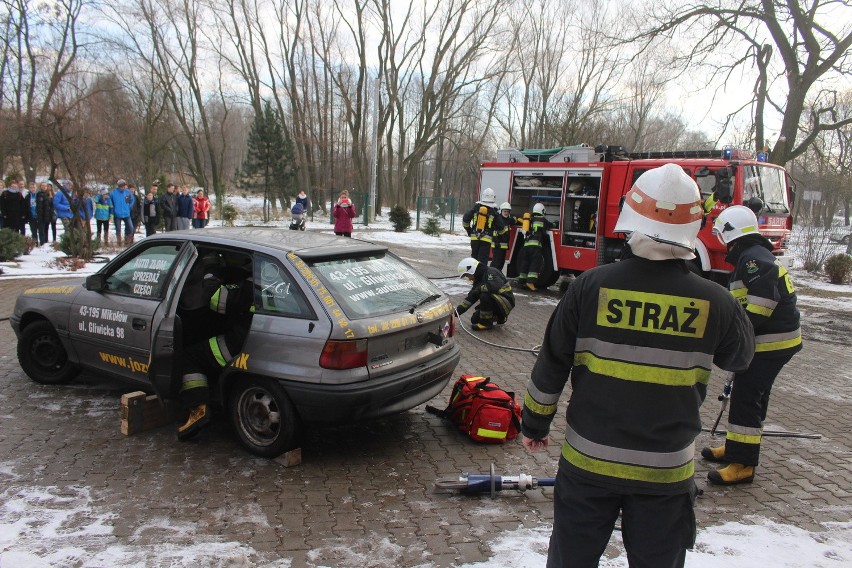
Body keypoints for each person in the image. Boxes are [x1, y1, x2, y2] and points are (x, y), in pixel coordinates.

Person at [521, 163, 755, 568]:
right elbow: (740, 357)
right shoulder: (715, 301)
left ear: (631, 220)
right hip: (664, 476)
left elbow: (552, 364)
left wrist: (534, 425)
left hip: (587, 466)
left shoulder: (589, 286)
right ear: (692, 228)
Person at [701, 205, 803, 485]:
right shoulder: (752, 255)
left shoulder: (752, 260)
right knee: (752, 397)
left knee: (747, 398)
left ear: (730, 232)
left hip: (771, 344)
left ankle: (743, 464)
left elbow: (761, 305)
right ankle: (737, 449)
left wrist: (734, 335)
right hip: (773, 342)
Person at [175, 251, 254, 440]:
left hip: (239, 344)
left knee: (189, 357)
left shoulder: (251, 286)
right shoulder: (267, 281)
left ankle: (198, 408)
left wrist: (211, 271)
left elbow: (216, 299)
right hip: (250, 336)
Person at [455, 257, 515, 331]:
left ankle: (486, 324)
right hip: (496, 302)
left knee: (485, 295)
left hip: (506, 302)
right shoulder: (478, 279)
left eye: (467, 275)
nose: (469, 279)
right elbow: (470, 298)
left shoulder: (491, 272)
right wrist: (456, 312)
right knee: (474, 320)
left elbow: (494, 287)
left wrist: (479, 289)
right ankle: (500, 316)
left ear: (472, 270)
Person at [516, 202, 554, 291]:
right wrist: (555, 224)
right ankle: (530, 282)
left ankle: (522, 281)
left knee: (525, 262)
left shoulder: (529, 219)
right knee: (535, 263)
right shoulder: (542, 220)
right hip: (535, 246)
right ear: (542, 211)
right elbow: (549, 227)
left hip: (526, 245)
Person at [462, 187, 502, 264]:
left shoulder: (476, 208)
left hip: (474, 237)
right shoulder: (494, 212)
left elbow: (465, 219)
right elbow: (501, 227)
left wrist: (469, 230)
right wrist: (496, 236)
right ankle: (481, 275)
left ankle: (473, 274)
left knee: (474, 258)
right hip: (486, 240)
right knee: (482, 260)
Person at [490, 202, 517, 271]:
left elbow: (514, 220)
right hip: (497, 245)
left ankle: (497, 275)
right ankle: (491, 275)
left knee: (501, 263)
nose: (506, 213)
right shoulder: (498, 219)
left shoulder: (508, 219)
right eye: (505, 211)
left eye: (508, 211)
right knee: (496, 262)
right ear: (501, 211)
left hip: (503, 246)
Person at [110, 179, 135, 246]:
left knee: (131, 228)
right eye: (123, 186)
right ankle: (119, 243)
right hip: (117, 214)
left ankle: (128, 241)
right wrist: (113, 211)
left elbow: (132, 200)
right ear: (119, 186)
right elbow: (110, 202)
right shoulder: (113, 193)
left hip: (126, 214)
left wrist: (129, 206)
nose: (124, 187)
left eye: (124, 186)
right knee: (118, 229)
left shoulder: (127, 192)